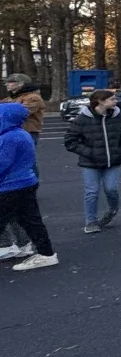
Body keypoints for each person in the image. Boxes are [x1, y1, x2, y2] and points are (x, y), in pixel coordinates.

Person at [64, 88, 121, 232]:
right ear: (100, 101)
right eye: (112, 99)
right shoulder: (82, 119)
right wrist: (89, 152)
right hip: (90, 163)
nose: (116, 101)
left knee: (111, 189)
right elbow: (70, 141)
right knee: (92, 191)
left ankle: (113, 209)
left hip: (113, 161)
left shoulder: (118, 116)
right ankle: (91, 221)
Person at [0, 102, 56, 269]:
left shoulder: (9, 137)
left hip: (9, 186)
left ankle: (44, 253)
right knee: (31, 221)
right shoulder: (20, 134)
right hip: (24, 183)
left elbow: (2, 164)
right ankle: (46, 253)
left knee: (18, 220)